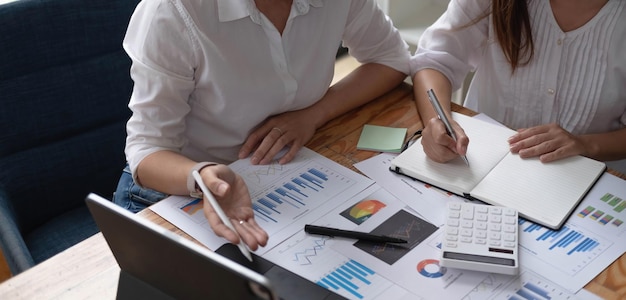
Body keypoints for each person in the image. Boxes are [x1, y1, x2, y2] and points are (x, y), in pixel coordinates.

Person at [113, 0, 410, 251]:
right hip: (174, 188)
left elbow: (391, 58)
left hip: (282, 173)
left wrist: (314, 114)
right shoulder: (173, 11)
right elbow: (147, 149)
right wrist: (202, 177)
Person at [410, 0, 626, 174]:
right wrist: (437, 122)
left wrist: (586, 144)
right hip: (476, 167)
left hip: (587, 182)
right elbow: (434, 60)